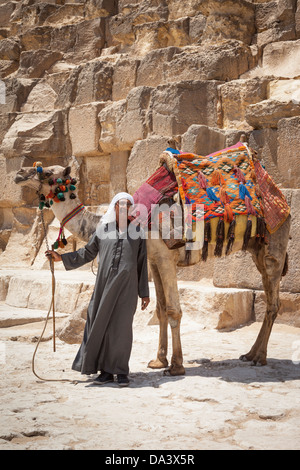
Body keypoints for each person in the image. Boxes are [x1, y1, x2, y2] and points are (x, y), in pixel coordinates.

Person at [46, 192, 150, 387]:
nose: (123, 209)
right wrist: (62, 258)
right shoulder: (103, 230)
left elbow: (142, 263)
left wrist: (144, 292)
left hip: (127, 290)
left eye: (128, 206)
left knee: (121, 330)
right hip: (104, 286)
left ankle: (120, 372)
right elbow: (87, 253)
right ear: (114, 208)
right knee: (100, 325)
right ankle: (105, 372)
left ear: (130, 209)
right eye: (120, 205)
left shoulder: (138, 233)